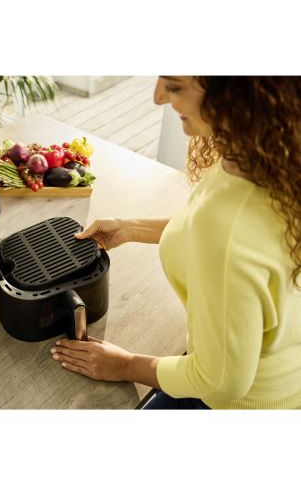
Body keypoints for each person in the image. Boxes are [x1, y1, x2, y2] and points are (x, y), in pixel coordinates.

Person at [50, 76, 301, 409]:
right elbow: (236, 238)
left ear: (235, 93)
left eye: (175, 86)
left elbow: (221, 381)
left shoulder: (225, 226)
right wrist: (129, 228)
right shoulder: (270, 159)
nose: (158, 97)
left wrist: (124, 365)